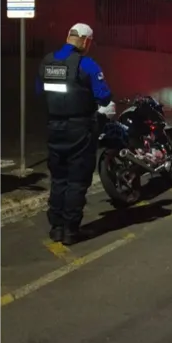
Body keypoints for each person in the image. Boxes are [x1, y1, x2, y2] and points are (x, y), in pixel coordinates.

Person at [38, 23, 115, 245]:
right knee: (76, 180)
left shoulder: (47, 61)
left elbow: (39, 90)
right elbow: (104, 97)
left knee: (58, 179)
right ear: (85, 41)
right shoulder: (87, 64)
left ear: (68, 36)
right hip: (80, 130)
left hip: (54, 128)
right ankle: (70, 231)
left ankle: (56, 228)